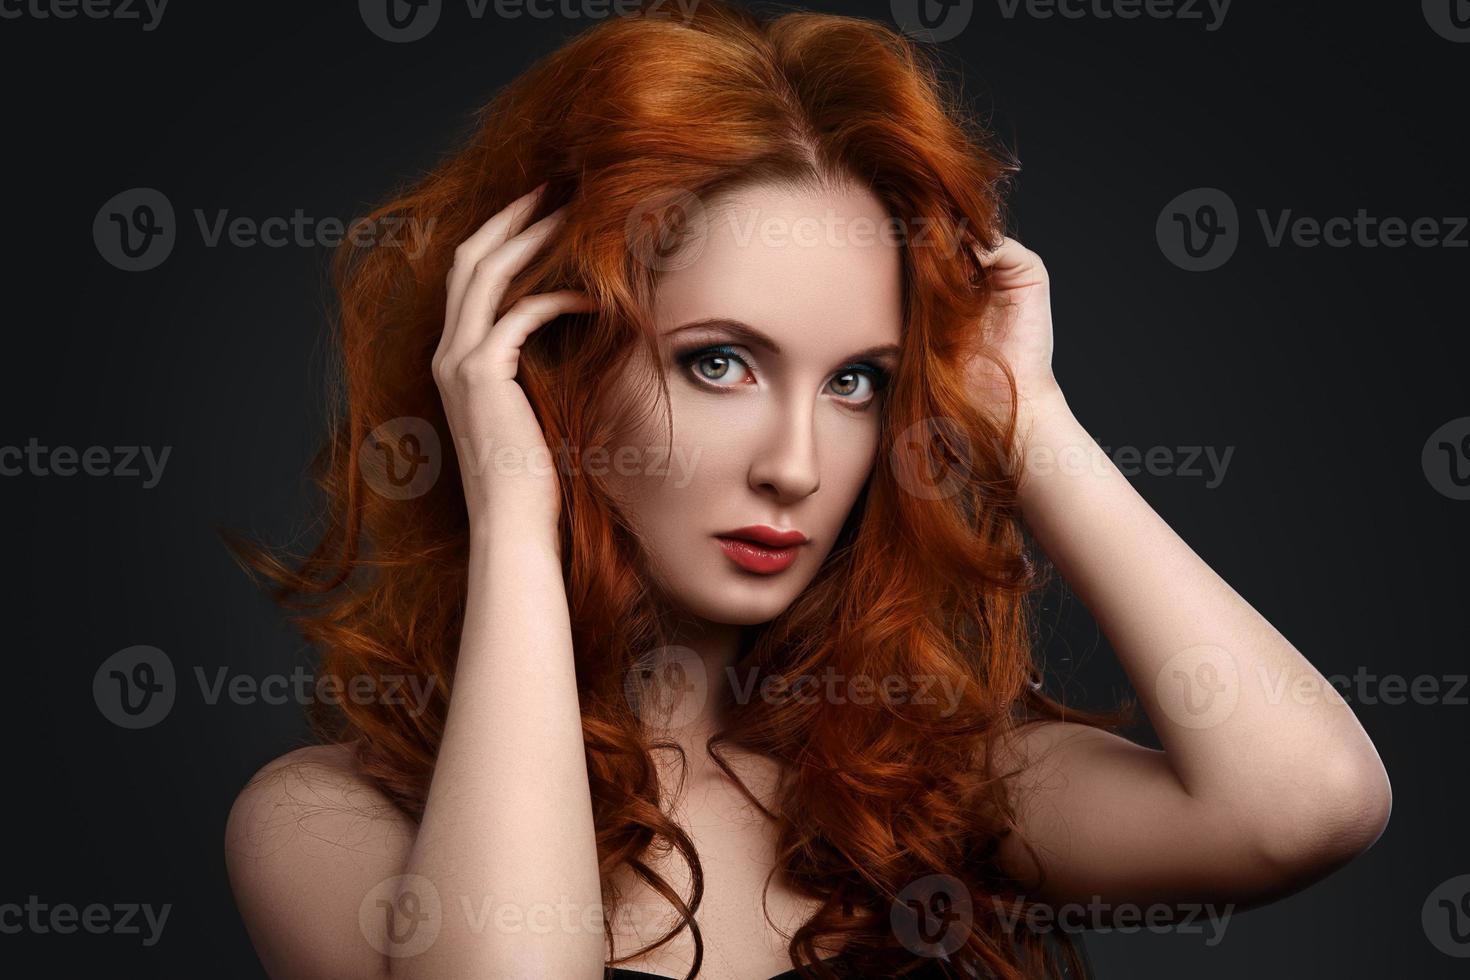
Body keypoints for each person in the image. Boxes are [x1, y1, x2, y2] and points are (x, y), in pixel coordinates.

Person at [222, 3, 1391, 978]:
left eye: (856, 381)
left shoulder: (924, 783)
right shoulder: (329, 823)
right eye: (718, 360)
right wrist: (522, 507)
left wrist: (1027, 414)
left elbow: (1308, 801)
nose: (797, 460)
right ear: (550, 360)